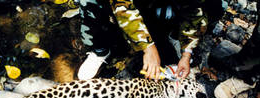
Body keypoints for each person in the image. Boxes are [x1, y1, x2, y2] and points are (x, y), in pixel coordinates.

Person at [77, 0, 208, 81]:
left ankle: (175, 36)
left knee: (217, 4)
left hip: (160, 6)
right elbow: (122, 4)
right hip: (128, 5)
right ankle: (100, 50)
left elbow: (195, 11)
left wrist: (187, 53)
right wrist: (148, 47)